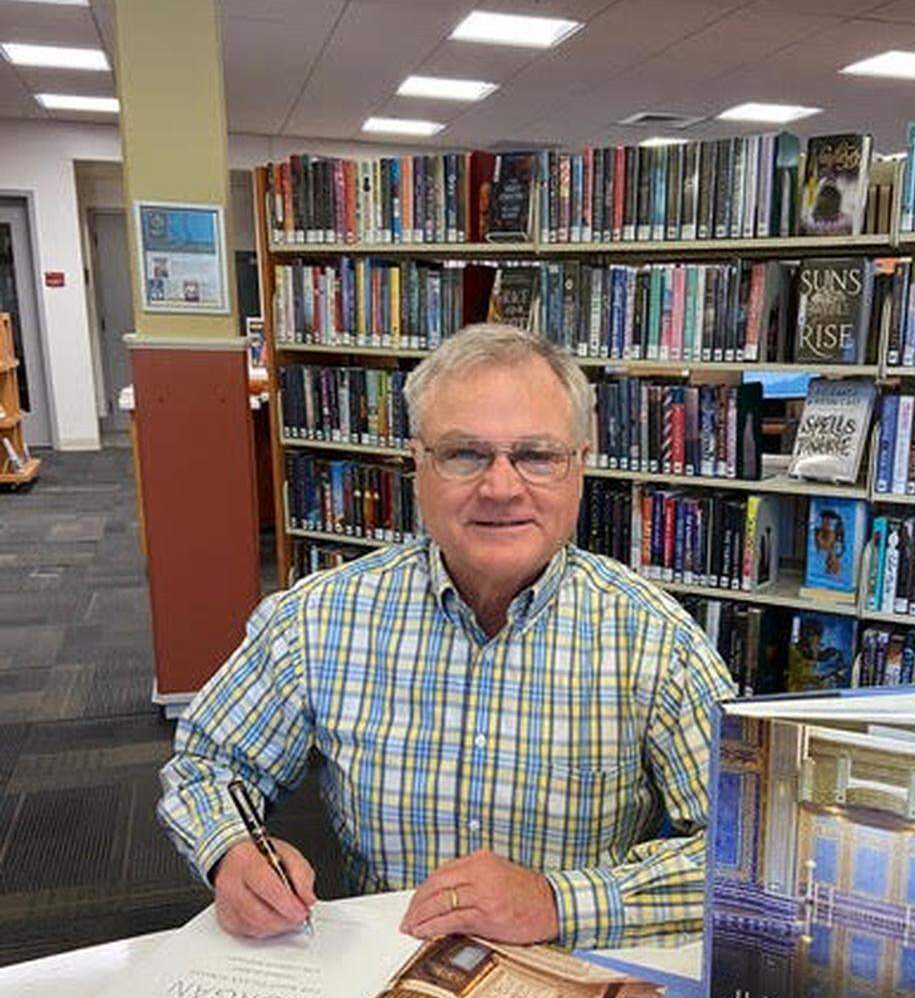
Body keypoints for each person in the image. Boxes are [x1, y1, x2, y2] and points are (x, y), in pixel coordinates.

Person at [158, 323, 735, 949]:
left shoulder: (656, 641)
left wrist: (557, 902)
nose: (501, 487)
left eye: (537, 456)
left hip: (569, 982)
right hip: (378, 974)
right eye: (464, 453)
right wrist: (232, 850)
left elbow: (741, 855)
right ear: (418, 465)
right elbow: (207, 765)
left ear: (580, 467)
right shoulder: (318, 620)